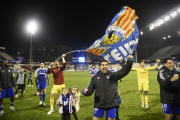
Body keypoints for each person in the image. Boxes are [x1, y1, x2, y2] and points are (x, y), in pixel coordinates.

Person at [82, 55, 133, 120]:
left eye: (106, 65)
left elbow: (124, 71)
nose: (105, 66)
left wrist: (129, 61)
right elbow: (90, 90)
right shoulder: (94, 78)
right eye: (103, 65)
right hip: (99, 103)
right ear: (100, 66)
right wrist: (85, 92)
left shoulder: (113, 75)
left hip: (111, 102)